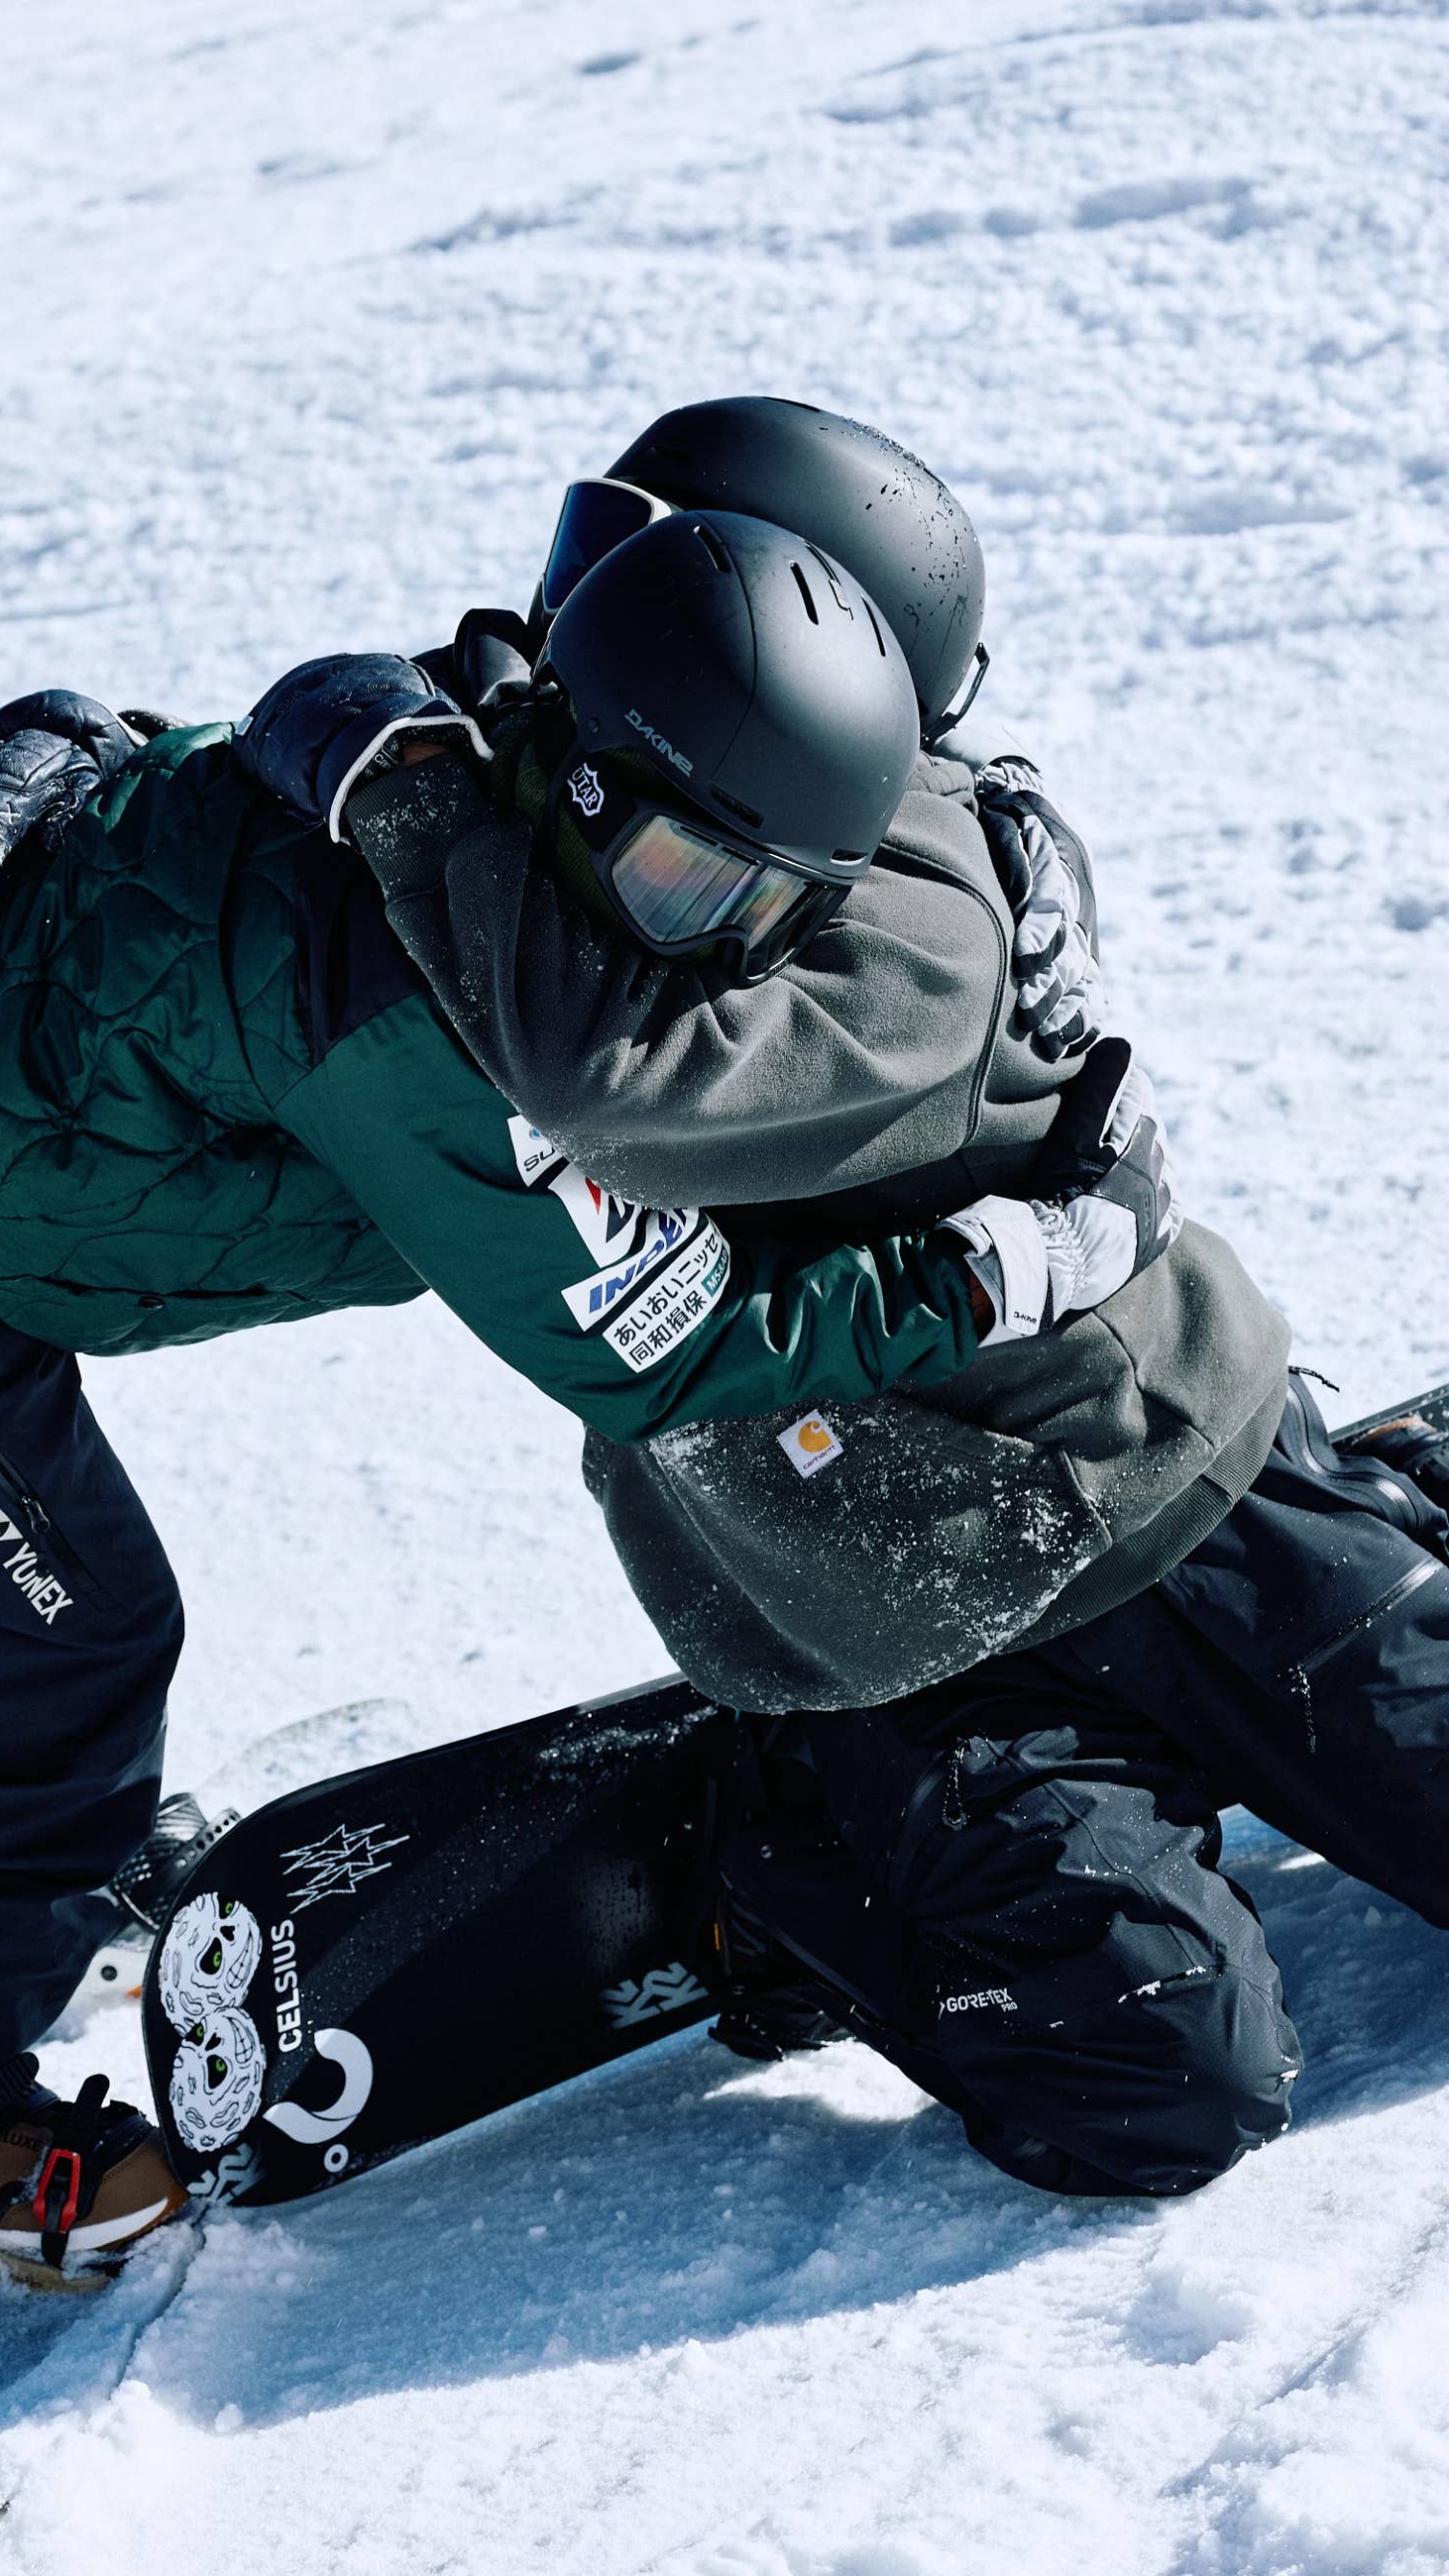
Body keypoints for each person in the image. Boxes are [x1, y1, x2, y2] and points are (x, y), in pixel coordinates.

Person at [0, 506, 1170, 2281]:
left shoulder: (455, 781)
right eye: (700, 887)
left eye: (780, 903)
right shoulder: (425, 1025)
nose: (727, 949)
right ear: (593, 779)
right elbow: (663, 1350)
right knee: (39, 1657)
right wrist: (1010, 1267)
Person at [253, 394, 1449, 2200]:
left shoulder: (917, 924)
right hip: (882, 1612)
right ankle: (797, 1835)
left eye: (633, 578)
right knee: (1153, 2091)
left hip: (1167, 1492)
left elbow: (619, 1088)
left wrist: (406, 787)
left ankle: (1378, 1528)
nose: (565, 614)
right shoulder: (660, 821)